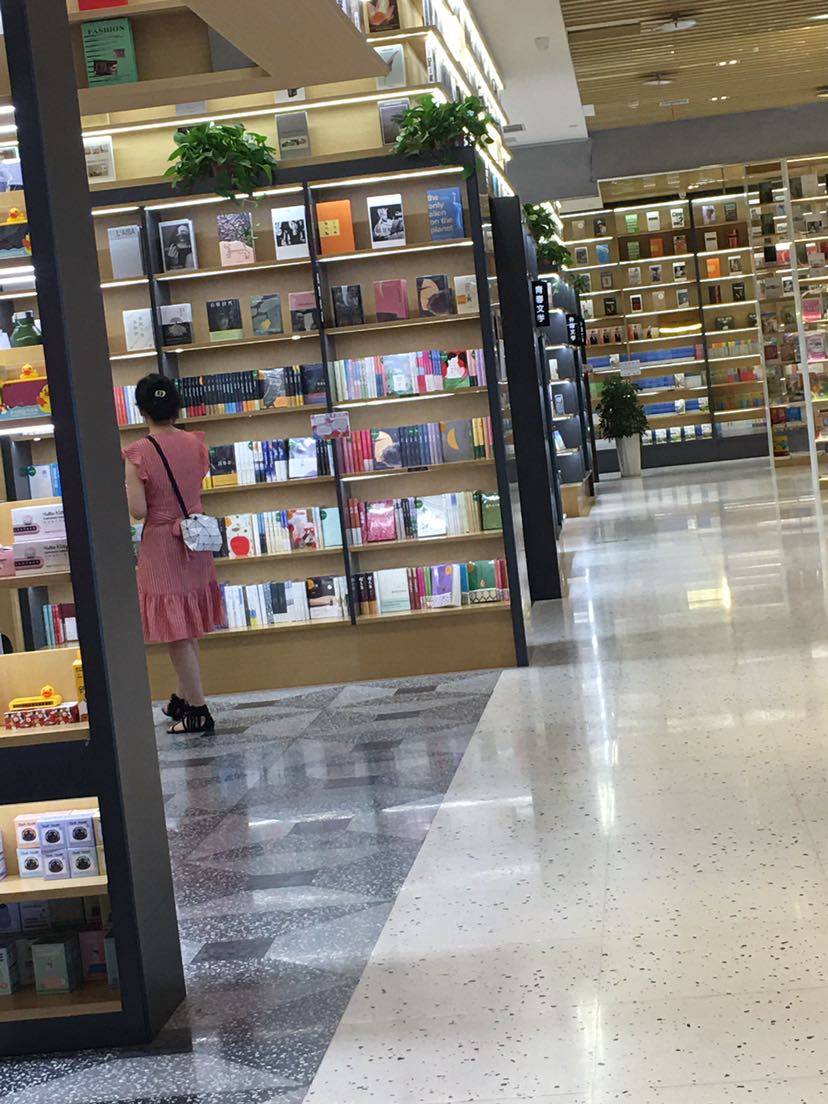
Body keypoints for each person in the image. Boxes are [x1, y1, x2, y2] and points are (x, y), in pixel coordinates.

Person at [123, 375, 224, 734]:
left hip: (163, 544)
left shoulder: (138, 453)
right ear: (176, 406)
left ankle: (197, 710)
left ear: (141, 410)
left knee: (176, 630)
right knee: (188, 622)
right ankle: (182, 699)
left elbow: (138, 511)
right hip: (195, 539)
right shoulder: (195, 444)